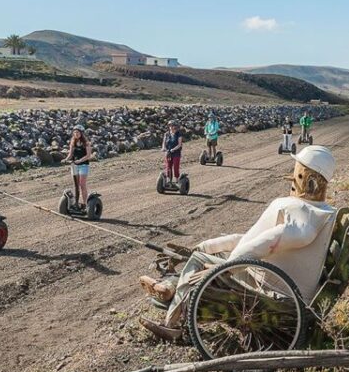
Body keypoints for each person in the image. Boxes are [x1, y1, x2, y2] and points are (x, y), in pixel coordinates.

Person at [138, 145, 338, 340]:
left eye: (298, 171)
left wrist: (226, 268)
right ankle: (172, 289)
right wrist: (210, 246)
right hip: (281, 283)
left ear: (307, 178)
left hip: (276, 290)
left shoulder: (300, 212)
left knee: (200, 260)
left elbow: (267, 241)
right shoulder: (323, 212)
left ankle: (172, 322)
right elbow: (253, 240)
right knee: (209, 256)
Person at [64, 124, 93, 208]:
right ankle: (76, 203)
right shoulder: (73, 142)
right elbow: (70, 154)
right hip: (74, 165)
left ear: (81, 133)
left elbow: (88, 155)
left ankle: (85, 204)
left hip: (83, 165)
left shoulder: (86, 143)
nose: (76, 134)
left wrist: (80, 160)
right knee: (76, 185)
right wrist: (66, 159)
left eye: (78, 132)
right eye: (75, 132)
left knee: (82, 184)